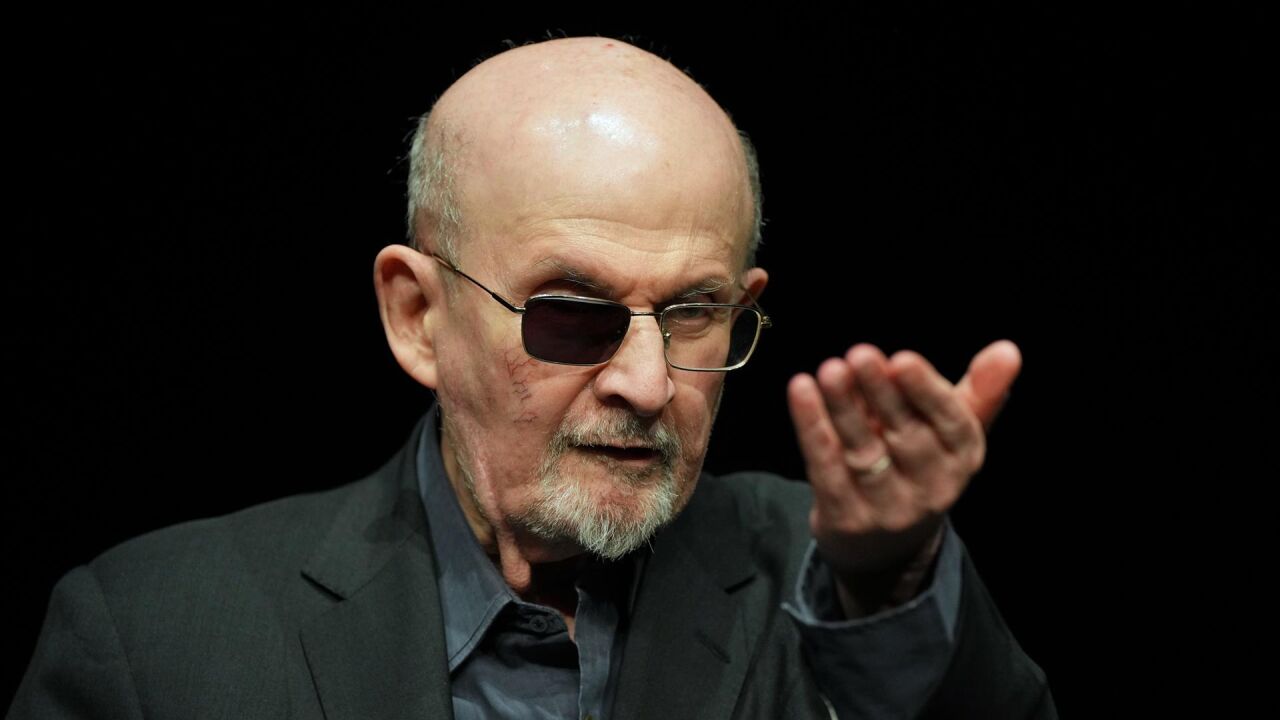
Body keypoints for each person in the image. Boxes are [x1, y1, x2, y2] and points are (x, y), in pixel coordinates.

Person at [10, 37, 1055, 719]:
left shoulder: (837, 586)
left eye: (692, 312)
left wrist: (888, 585)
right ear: (417, 317)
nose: (647, 383)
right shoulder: (156, 637)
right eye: (571, 314)